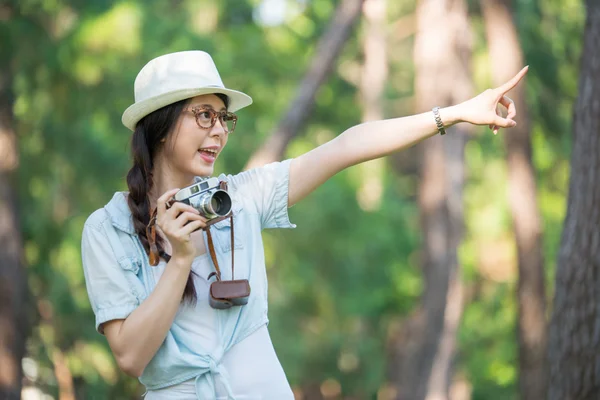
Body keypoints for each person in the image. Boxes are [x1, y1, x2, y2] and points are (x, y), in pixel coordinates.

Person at [81, 50, 527, 399]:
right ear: (159, 125)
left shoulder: (241, 196)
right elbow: (131, 356)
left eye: (224, 118)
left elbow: (346, 146)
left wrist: (451, 113)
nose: (218, 132)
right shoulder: (108, 230)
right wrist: (180, 260)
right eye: (203, 115)